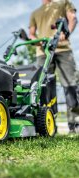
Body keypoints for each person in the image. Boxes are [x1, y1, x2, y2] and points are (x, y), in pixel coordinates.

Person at [29, 0, 78, 133]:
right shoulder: (36, 13)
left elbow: (73, 18)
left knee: (69, 85)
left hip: (62, 49)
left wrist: (66, 33)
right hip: (44, 52)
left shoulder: (64, 2)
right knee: (45, 88)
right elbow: (31, 34)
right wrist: (39, 43)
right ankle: (51, 125)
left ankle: (71, 125)